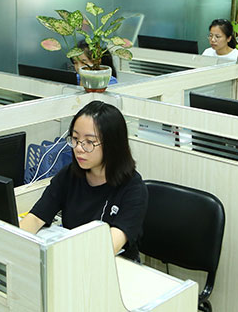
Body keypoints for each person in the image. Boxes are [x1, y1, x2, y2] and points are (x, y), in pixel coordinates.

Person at [20, 101, 148, 261]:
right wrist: (14, 242)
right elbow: (35, 218)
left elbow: (108, 247)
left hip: (114, 266)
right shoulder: (69, 175)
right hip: (71, 258)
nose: (79, 148)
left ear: (112, 145)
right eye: (75, 139)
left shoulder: (133, 189)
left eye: (89, 142)